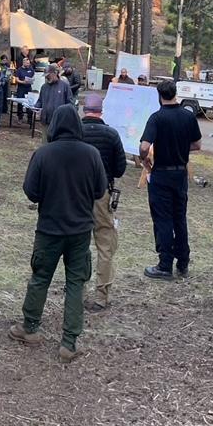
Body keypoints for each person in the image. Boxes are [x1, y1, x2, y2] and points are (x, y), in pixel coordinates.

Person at [11, 105, 107, 361]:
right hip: (80, 231)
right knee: (76, 284)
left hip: (49, 230)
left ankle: (29, 327)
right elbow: (99, 191)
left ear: (54, 126)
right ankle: (69, 342)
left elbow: (31, 191)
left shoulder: (43, 154)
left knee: (40, 277)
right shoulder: (92, 155)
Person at [140, 80, 201, 279]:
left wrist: (146, 162)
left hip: (161, 173)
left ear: (160, 96)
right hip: (180, 173)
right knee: (179, 217)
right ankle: (183, 262)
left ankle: (165, 264)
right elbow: (197, 144)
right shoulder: (188, 116)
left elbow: (143, 147)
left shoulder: (157, 118)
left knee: (163, 219)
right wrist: (182, 148)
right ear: (175, 94)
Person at [77, 92, 127, 310]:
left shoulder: (76, 132)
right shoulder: (111, 135)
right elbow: (120, 168)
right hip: (102, 194)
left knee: (78, 244)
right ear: (101, 111)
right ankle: (101, 295)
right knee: (105, 244)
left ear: (84, 110)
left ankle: (76, 292)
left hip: (76, 194)